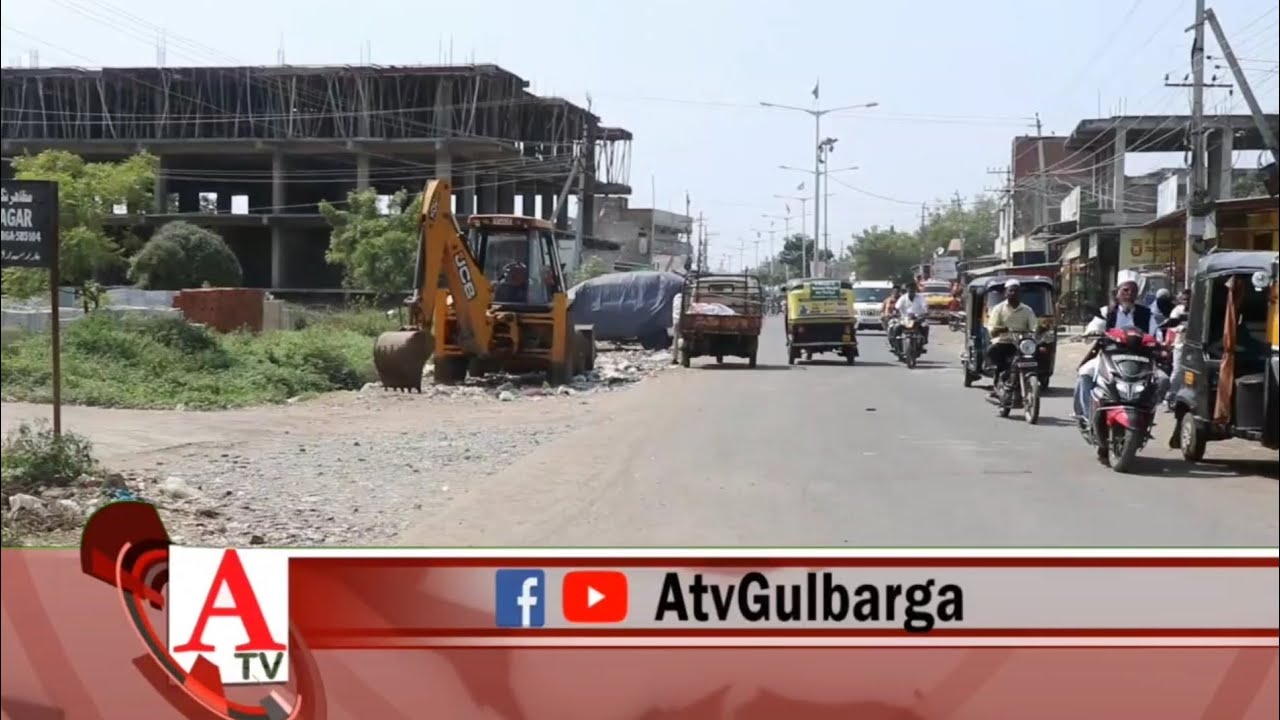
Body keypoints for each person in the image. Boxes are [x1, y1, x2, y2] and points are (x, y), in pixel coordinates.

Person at [1073, 280, 1168, 438]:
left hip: (1141, 359)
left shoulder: (1146, 314)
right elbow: (1093, 328)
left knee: (1163, 380)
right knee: (1084, 374)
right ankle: (1087, 418)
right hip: (1109, 357)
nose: (1129, 294)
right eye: (1125, 290)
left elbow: (1156, 334)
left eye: (1133, 291)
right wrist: (1092, 332)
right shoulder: (1106, 312)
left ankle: (1147, 413)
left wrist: (1160, 345)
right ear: (1117, 293)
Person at [984, 279, 1039, 396]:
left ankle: (1029, 382)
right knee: (992, 352)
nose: (1014, 293)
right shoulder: (998, 309)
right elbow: (992, 328)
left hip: (1021, 344)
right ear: (1006, 293)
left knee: (1038, 353)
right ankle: (999, 382)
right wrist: (1000, 330)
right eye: (1011, 291)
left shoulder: (1027, 310)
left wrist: (1036, 332)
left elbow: (1034, 326)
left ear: (1020, 293)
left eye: (1016, 291)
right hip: (1004, 342)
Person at [891, 282, 930, 353]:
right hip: (904, 319)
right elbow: (897, 307)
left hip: (917, 319)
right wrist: (895, 312)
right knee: (896, 328)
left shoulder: (920, 298)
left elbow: (925, 306)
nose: (911, 291)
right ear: (907, 290)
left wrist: (925, 313)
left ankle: (923, 342)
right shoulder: (903, 298)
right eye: (910, 289)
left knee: (925, 326)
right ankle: (896, 346)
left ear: (915, 290)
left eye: (913, 289)